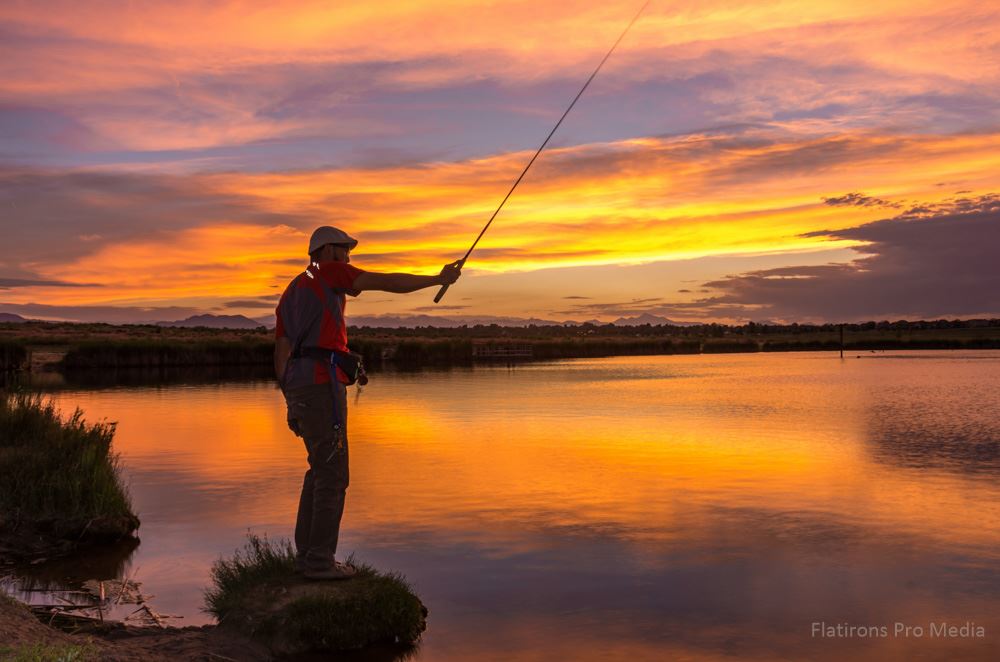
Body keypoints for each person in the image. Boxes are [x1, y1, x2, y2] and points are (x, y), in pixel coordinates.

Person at [274, 226, 461, 580]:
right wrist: (437, 278)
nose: (348, 259)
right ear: (327, 250)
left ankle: (307, 558)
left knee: (318, 469)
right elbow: (384, 282)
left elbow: (282, 349)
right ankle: (319, 563)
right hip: (320, 385)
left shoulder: (293, 289)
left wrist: (289, 398)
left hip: (299, 387)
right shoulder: (327, 271)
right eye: (345, 251)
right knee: (333, 473)